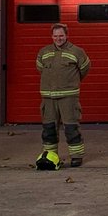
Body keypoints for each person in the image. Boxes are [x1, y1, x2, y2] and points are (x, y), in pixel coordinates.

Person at [36, 23, 92, 168]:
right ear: (52, 36)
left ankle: (76, 156)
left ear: (67, 35)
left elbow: (84, 69)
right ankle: (50, 156)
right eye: (55, 36)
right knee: (48, 128)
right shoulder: (44, 51)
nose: (58, 38)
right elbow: (40, 68)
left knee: (71, 127)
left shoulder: (77, 52)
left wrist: (71, 82)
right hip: (48, 97)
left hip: (69, 97)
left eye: (61, 35)